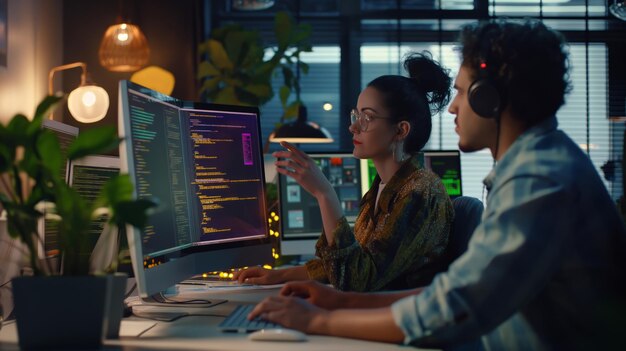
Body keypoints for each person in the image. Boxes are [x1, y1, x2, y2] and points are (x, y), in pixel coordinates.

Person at [248, 20, 626, 350]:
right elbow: (454, 292)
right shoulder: (538, 165)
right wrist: (338, 303)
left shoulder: (540, 180)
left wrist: (316, 320)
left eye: (462, 92)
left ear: (488, 98)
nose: (452, 107)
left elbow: (458, 307)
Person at [235, 53, 455, 292]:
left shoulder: (420, 192)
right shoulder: (386, 187)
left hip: (394, 323)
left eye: (367, 117)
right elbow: (344, 263)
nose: (353, 126)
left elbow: (356, 279)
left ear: (401, 130)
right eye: (356, 115)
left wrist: (324, 193)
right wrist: (279, 276)